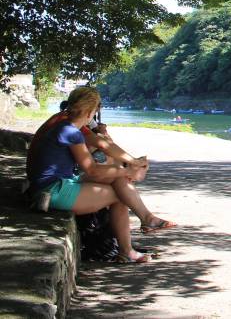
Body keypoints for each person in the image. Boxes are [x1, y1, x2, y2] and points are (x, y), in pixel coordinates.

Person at [27, 87, 175, 263]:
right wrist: (129, 170)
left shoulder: (67, 124)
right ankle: (128, 249)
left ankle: (147, 220)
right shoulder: (70, 131)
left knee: (118, 180)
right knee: (120, 197)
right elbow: (92, 169)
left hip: (55, 183)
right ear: (90, 111)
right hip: (52, 190)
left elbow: (103, 145)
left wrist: (133, 163)